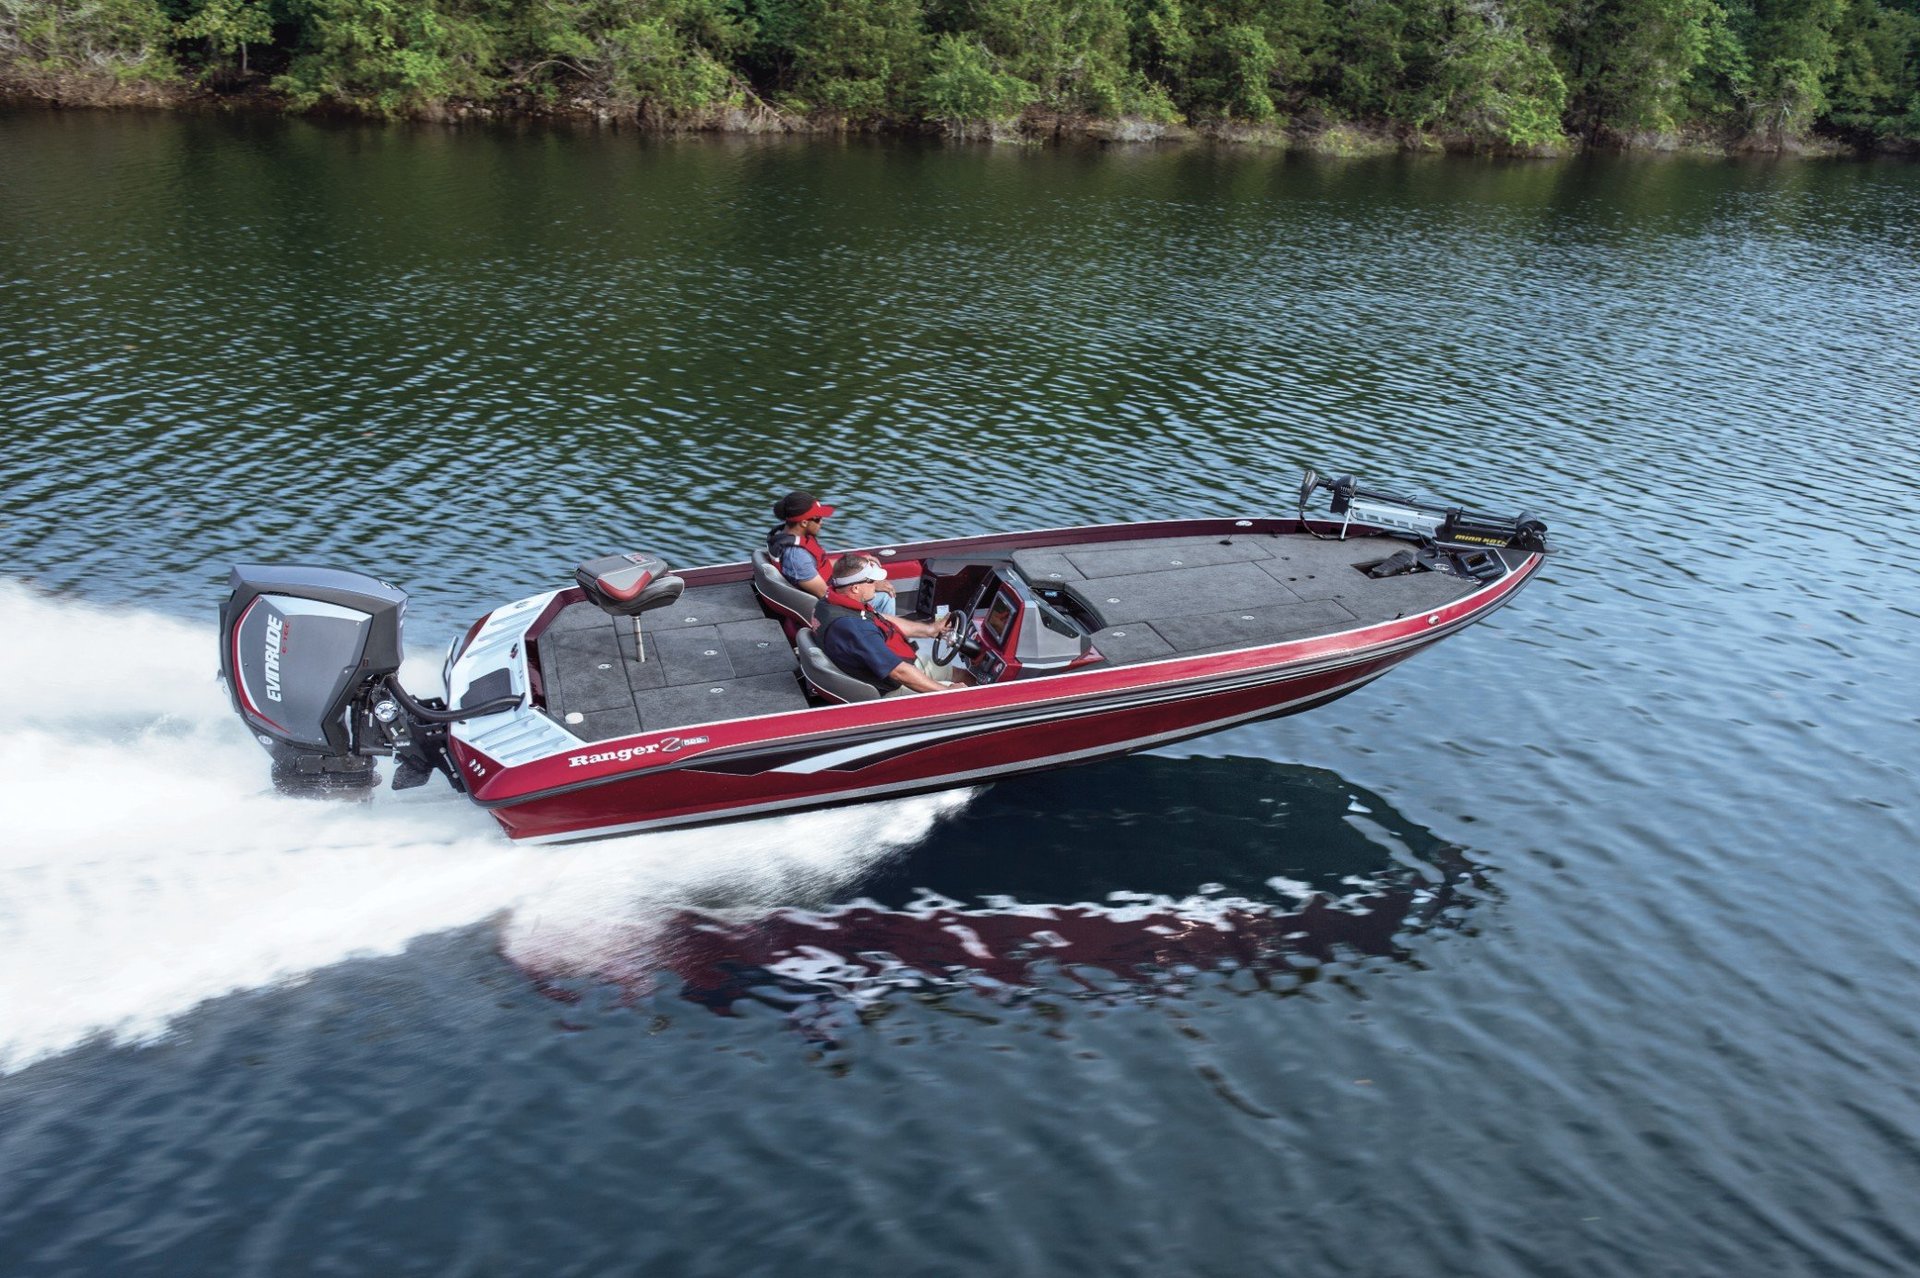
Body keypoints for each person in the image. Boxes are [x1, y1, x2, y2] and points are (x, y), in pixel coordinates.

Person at [815, 554, 964, 695]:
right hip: (891, 688)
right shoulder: (855, 629)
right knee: (964, 692)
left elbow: (882, 618)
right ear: (855, 588)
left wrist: (930, 630)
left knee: (960, 674)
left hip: (895, 665)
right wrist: (947, 692)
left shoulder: (829, 602)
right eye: (871, 581)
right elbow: (899, 672)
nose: (876, 585)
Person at [767, 490, 897, 615]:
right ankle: (884, 634)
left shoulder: (791, 535)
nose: (822, 522)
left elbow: (818, 564)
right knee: (885, 597)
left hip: (829, 584)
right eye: (818, 519)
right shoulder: (796, 557)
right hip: (825, 608)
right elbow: (825, 595)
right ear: (804, 522)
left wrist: (858, 560)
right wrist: (871, 587)